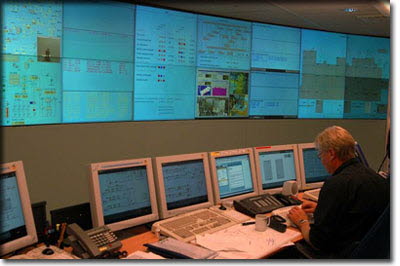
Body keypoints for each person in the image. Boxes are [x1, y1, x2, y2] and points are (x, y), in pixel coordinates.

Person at [287, 126, 389, 258]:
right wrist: (321, 209)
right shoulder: (376, 178)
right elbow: (355, 214)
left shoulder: (336, 184)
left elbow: (317, 242)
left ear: (331, 154)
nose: (322, 161)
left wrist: (302, 221)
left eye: (320, 155)